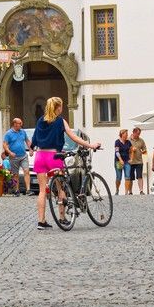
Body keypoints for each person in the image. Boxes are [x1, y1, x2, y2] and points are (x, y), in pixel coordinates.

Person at [31, 97, 100, 229]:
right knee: (60, 188)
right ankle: (62, 218)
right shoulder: (60, 121)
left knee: (41, 191)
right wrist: (90, 145)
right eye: (61, 106)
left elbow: (34, 140)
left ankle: (41, 221)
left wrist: (31, 148)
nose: (61, 108)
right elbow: (73, 136)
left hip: (40, 156)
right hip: (54, 156)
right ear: (58, 107)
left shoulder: (41, 120)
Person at [3, 117, 31, 195]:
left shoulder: (23, 132)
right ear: (15, 124)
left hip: (23, 156)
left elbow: (27, 141)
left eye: (21, 123)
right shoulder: (8, 133)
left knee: (26, 171)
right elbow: (4, 145)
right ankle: (16, 190)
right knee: (15, 174)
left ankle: (28, 190)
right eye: (20, 123)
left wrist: (31, 149)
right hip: (14, 157)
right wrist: (9, 152)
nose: (21, 125)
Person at [129, 127, 148, 195]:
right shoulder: (128, 140)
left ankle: (141, 191)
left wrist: (144, 151)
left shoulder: (141, 140)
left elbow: (144, 149)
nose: (139, 135)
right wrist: (131, 150)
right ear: (133, 132)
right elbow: (125, 150)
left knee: (140, 176)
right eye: (137, 134)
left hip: (139, 161)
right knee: (130, 177)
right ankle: (130, 191)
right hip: (130, 162)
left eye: (139, 134)